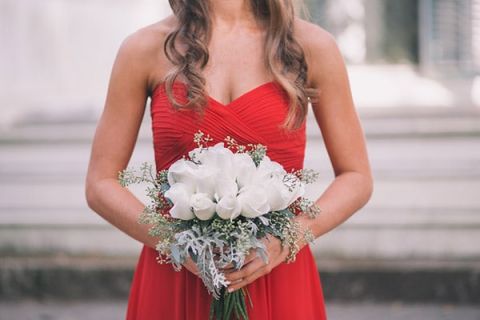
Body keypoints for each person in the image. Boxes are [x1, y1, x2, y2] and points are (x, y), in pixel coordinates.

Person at [85, 0, 373, 319]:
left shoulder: (311, 46)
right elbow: (101, 183)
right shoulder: (144, 49)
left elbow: (356, 176)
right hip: (177, 274)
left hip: (276, 272)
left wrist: (287, 237)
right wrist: (175, 241)